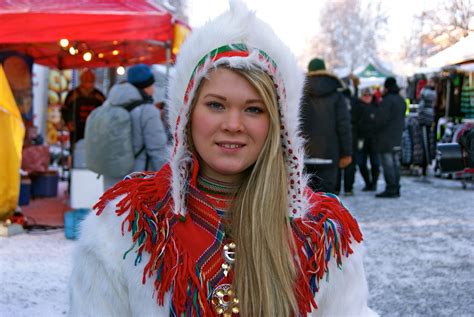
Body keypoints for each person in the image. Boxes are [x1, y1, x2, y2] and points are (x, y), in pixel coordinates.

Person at [69, 2, 377, 316]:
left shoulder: (320, 234)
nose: (232, 124)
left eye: (253, 109)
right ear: (186, 113)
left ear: (278, 123)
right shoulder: (125, 226)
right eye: (216, 105)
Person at [101, 64, 169, 190]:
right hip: (136, 185)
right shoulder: (147, 111)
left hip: (110, 181)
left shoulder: (108, 104)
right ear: (146, 86)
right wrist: (169, 181)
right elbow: (158, 151)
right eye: (152, 85)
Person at [301, 58, 353, 194]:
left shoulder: (299, 93)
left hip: (304, 153)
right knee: (328, 199)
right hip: (330, 153)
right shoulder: (337, 95)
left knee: (306, 201)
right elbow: (344, 125)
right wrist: (346, 152)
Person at [375, 77, 407, 198]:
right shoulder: (401, 100)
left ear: (387, 87)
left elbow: (380, 119)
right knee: (395, 163)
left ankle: (391, 188)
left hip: (386, 138)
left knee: (388, 164)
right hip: (397, 136)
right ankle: (396, 187)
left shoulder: (387, 101)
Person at [61, 69, 105, 145]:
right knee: (76, 150)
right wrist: (68, 122)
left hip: (94, 130)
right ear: (81, 80)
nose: (88, 82)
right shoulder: (73, 94)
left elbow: (105, 112)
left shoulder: (99, 96)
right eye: (86, 79)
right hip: (76, 130)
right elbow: (64, 109)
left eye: (91, 80)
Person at [353, 88, 380, 191]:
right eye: (365, 95)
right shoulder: (357, 106)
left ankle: (374, 183)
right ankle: (368, 182)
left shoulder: (377, 106)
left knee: (375, 164)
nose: (367, 97)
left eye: (369, 95)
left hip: (374, 139)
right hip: (361, 140)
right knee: (361, 163)